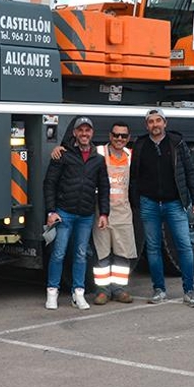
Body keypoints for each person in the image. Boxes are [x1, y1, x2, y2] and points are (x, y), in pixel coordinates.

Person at [52, 121, 137, 305]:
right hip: (101, 211)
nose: (119, 139)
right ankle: (103, 291)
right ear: (109, 136)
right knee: (102, 253)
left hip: (122, 211)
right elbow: (79, 145)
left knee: (122, 254)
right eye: (116, 135)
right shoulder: (98, 152)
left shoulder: (131, 155)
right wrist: (60, 148)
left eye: (123, 136)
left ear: (128, 138)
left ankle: (119, 289)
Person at [129, 108, 194, 307]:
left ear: (165, 123)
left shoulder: (177, 143)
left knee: (184, 247)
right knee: (153, 248)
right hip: (149, 203)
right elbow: (134, 176)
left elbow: (189, 172)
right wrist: (135, 201)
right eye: (151, 122)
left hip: (174, 203)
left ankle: (189, 291)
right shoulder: (141, 145)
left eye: (158, 121)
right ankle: (159, 290)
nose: (155, 125)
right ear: (147, 125)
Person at [43, 116, 110, 310]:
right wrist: (51, 211)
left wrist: (104, 213)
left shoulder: (98, 159)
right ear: (74, 133)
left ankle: (78, 294)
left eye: (87, 130)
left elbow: (104, 188)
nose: (84, 134)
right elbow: (49, 184)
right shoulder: (63, 155)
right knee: (58, 254)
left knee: (81, 255)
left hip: (86, 216)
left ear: (92, 133)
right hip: (64, 214)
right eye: (80, 130)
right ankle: (52, 292)